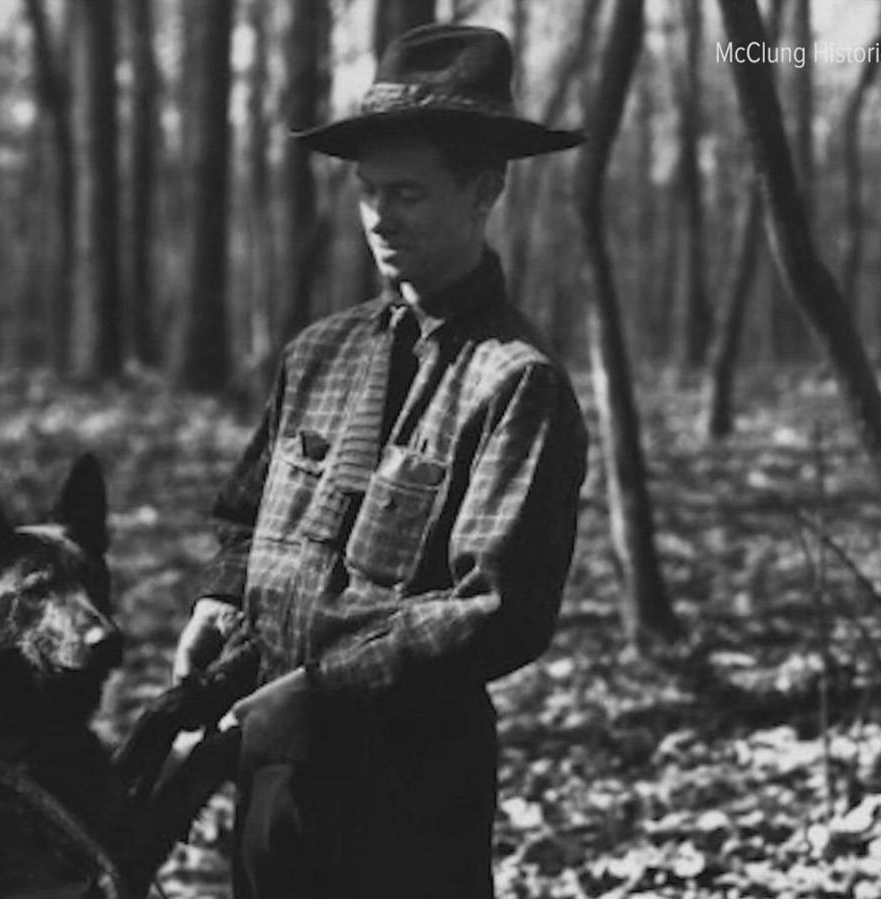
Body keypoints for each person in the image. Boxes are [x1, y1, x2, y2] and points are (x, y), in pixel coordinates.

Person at [175, 23, 589, 899]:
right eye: (367, 191)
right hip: (272, 760)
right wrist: (220, 592)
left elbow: (499, 607)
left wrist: (323, 690)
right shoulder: (318, 354)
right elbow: (247, 508)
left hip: (407, 779)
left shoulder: (515, 383)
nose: (378, 217)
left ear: (485, 190)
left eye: (408, 193)